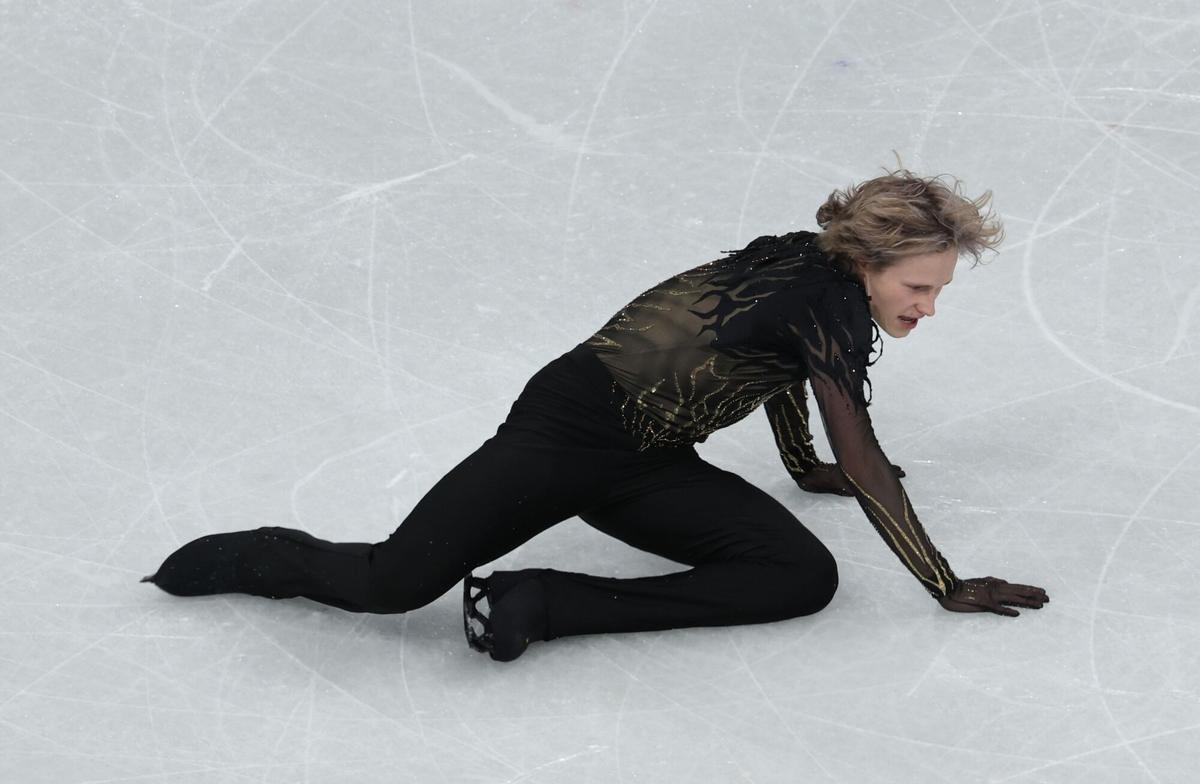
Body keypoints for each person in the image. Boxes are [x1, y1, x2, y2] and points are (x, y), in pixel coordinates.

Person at [141, 168, 1049, 662]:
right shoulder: (827, 301)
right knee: (391, 585)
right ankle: (265, 553)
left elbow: (783, 368)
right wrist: (944, 580)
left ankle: (538, 600)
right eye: (920, 287)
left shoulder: (815, 273)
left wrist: (799, 464)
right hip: (564, 432)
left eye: (937, 288)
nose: (928, 306)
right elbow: (867, 456)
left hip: (649, 457)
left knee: (798, 577)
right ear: (871, 264)